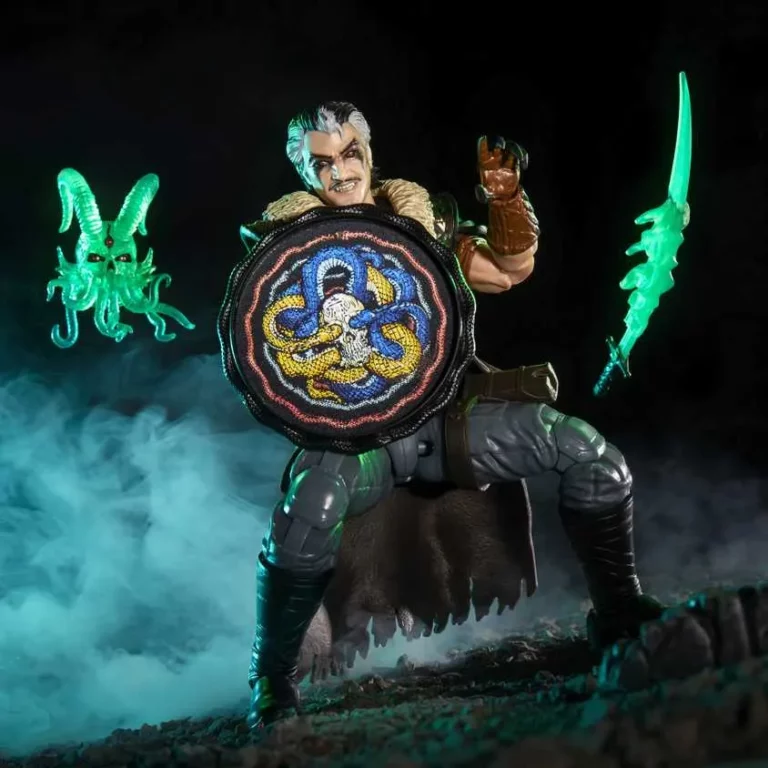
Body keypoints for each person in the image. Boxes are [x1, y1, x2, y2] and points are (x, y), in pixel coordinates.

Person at [238, 101, 663, 731]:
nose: (340, 172)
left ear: (369, 152)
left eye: (350, 153)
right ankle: (272, 678)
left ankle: (620, 613)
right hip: (362, 439)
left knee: (591, 457)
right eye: (321, 163)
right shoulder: (287, 250)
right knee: (311, 507)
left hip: (448, 417)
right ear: (303, 171)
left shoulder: (423, 225)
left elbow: (510, 270)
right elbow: (270, 354)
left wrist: (507, 199)